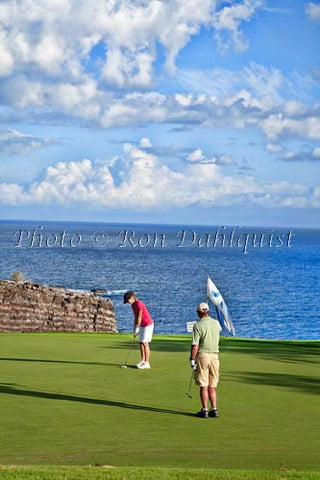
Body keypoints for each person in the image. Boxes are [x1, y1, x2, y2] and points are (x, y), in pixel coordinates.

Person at [190, 302, 222, 418]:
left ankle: (205, 410)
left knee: (204, 385)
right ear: (207, 312)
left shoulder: (197, 325)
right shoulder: (216, 323)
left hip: (203, 356)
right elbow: (218, 331)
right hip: (215, 356)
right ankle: (214, 409)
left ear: (199, 312)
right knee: (212, 386)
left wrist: (192, 359)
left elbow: (195, 345)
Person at [123, 291, 154, 369]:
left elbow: (140, 316)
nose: (127, 302)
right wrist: (135, 329)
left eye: (128, 300)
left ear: (131, 298)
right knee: (141, 343)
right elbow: (135, 317)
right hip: (142, 325)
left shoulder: (139, 303)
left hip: (148, 324)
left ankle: (147, 363)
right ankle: (143, 361)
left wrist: (137, 328)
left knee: (145, 343)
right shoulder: (133, 305)